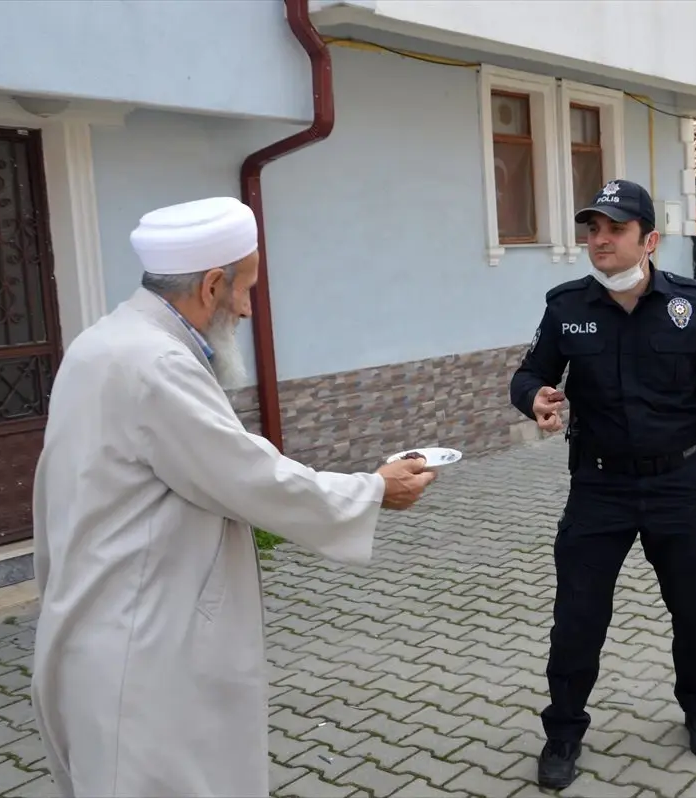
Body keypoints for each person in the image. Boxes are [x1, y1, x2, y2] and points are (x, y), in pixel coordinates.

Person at [30, 196, 437, 798]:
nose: (247, 308)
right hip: (144, 648)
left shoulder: (107, 341)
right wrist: (372, 490)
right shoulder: (155, 363)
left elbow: (207, 457)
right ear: (212, 284)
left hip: (104, 621)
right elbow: (249, 478)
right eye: (246, 289)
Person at [509, 178, 696, 790]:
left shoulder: (693, 305)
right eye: (592, 229)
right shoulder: (566, 307)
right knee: (577, 616)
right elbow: (530, 373)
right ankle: (563, 732)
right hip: (599, 488)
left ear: (650, 240)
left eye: (614, 229)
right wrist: (532, 397)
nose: (599, 240)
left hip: (678, 484)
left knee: (692, 610)